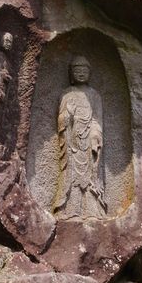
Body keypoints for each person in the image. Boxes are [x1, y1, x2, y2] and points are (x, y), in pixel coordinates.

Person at [53, 55, 107, 219]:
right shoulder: (66, 94)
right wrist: (65, 118)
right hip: (72, 141)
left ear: (89, 73)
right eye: (77, 70)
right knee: (72, 177)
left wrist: (95, 134)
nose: (81, 73)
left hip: (89, 140)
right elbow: (61, 119)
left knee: (91, 176)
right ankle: (71, 211)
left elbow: (97, 119)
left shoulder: (95, 95)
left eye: (84, 70)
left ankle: (92, 211)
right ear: (71, 73)